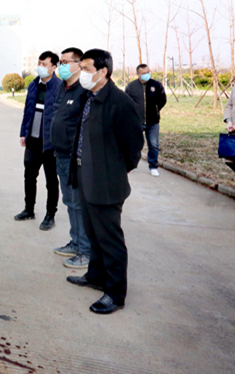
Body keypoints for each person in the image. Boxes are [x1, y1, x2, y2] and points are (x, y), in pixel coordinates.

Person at [66, 49, 143, 314]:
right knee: (93, 233)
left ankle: (115, 293)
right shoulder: (89, 96)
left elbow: (133, 146)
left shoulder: (119, 102)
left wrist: (117, 171)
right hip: (85, 176)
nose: (82, 74)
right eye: (82, 68)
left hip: (106, 182)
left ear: (103, 72)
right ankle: (96, 276)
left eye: (86, 69)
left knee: (110, 239)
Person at [50, 48, 91, 270]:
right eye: (61, 62)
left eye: (66, 62)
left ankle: (85, 250)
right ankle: (75, 242)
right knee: (69, 202)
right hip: (60, 154)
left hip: (74, 158)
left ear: (78, 64)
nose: (61, 66)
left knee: (78, 204)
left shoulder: (83, 91)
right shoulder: (63, 88)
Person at [16, 51, 61, 230]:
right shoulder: (34, 85)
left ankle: (50, 215)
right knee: (29, 176)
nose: (40, 67)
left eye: (44, 64)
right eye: (39, 63)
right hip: (32, 140)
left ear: (54, 67)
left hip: (50, 143)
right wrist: (23, 132)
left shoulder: (59, 87)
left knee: (51, 181)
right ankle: (29, 209)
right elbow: (27, 111)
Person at [125, 64, 167, 176]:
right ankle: (130, 164)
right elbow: (126, 102)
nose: (146, 74)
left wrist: (156, 109)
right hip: (136, 122)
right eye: (143, 73)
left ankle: (153, 166)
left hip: (153, 121)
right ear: (138, 74)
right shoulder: (131, 86)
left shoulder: (156, 85)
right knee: (134, 145)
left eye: (148, 72)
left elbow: (162, 99)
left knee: (153, 145)